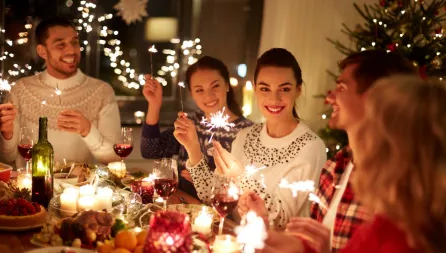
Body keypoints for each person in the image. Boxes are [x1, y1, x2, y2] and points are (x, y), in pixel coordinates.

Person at [240, 50, 418, 252]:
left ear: (376, 98)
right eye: (264, 88)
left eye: (341, 87)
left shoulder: (403, 187)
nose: (330, 96)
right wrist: (263, 222)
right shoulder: (335, 168)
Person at [263, 75, 446, 253]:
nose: (358, 138)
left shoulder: (399, 239)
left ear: (397, 147)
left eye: (368, 125)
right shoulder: (388, 223)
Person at [176, 48, 327, 228]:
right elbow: (213, 196)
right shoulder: (246, 135)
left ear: (298, 89)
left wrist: (241, 178)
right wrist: (193, 148)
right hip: (231, 238)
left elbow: (282, 220)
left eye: (284, 89)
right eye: (265, 88)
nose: (274, 98)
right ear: (255, 88)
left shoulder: (311, 147)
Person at [0, 17, 121, 166]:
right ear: (42, 51)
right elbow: (4, 159)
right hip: (30, 187)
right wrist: (7, 134)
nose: (71, 50)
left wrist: (88, 131)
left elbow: (114, 158)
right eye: (60, 45)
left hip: (80, 187)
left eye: (74, 42)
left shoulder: (101, 91)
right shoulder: (20, 90)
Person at [140, 56, 252, 199]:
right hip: (182, 204)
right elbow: (150, 150)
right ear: (192, 94)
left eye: (215, 86)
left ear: (227, 85)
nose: (209, 95)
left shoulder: (248, 132)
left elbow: (246, 188)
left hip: (219, 213)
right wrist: (154, 104)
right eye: (199, 90)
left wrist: (203, 179)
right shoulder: (189, 122)